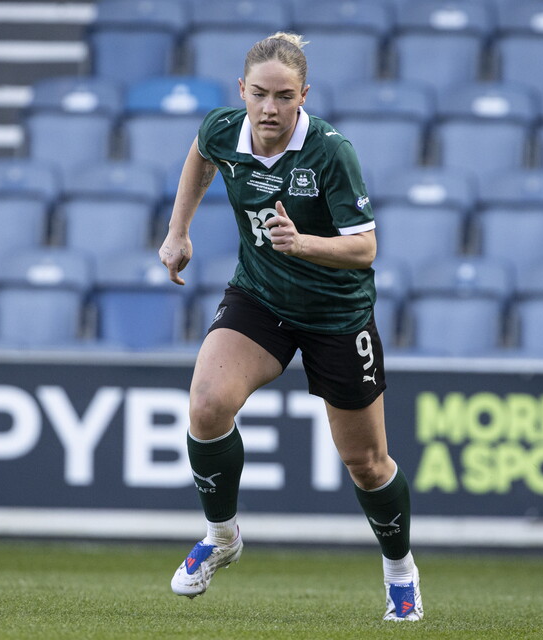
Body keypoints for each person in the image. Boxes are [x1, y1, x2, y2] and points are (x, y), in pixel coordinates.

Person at [158, 32, 423, 622]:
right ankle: (222, 537)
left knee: (367, 462)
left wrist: (302, 244)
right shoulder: (226, 128)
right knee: (206, 404)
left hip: (336, 314)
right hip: (261, 297)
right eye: (259, 94)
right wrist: (179, 232)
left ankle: (400, 572)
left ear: (304, 94)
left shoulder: (331, 152)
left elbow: (366, 249)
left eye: (284, 96)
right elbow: (203, 152)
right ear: (242, 92)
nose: (270, 108)